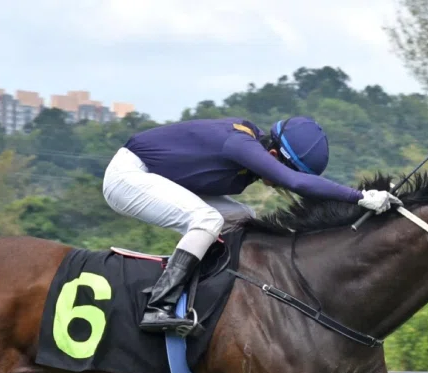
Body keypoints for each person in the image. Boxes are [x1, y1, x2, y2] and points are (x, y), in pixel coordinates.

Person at [102, 117, 400, 333]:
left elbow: (296, 180)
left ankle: (220, 291)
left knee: (244, 218)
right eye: (280, 168)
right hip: (128, 177)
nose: (278, 183)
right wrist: (358, 197)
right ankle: (158, 306)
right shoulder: (241, 144)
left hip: (155, 176)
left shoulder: (252, 143)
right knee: (207, 219)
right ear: (272, 156)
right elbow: (295, 181)